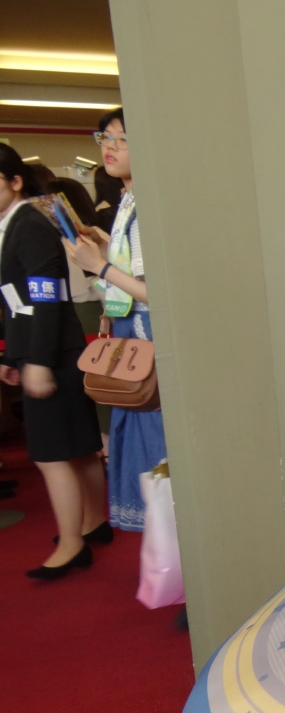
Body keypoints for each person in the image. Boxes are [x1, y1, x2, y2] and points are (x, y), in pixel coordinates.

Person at [0, 145, 108, 578]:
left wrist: (38, 361)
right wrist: (14, 354)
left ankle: (71, 543)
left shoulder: (28, 223)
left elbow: (46, 297)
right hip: (43, 346)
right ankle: (94, 522)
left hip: (51, 350)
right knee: (77, 446)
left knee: (50, 454)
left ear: (15, 181)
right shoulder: (16, 223)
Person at [65, 108, 166, 531]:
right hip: (133, 336)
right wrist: (104, 248)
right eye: (104, 138)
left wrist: (100, 267)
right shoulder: (130, 199)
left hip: (145, 339)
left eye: (121, 138)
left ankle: (176, 549)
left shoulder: (146, 206)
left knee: (157, 447)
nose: (110, 147)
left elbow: (157, 294)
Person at [49, 177, 110, 454]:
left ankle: (105, 444)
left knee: (96, 380)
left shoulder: (83, 237)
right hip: (93, 309)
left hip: (88, 311)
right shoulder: (94, 233)